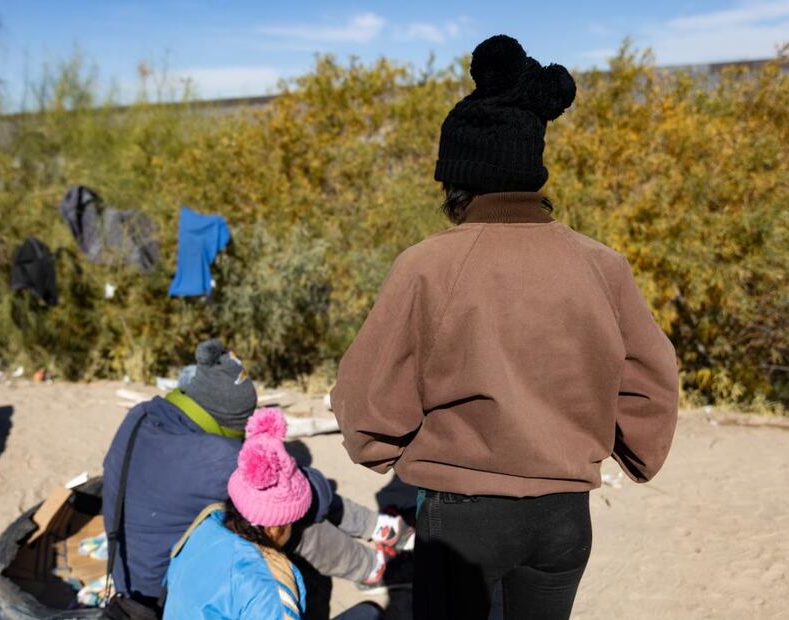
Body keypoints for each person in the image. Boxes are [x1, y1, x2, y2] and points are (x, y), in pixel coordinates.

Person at [332, 34, 680, 619]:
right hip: (565, 519)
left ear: (456, 179)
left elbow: (368, 401)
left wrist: (381, 449)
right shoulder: (600, 264)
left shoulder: (428, 264)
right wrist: (632, 451)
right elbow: (652, 380)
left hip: (464, 519)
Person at [102, 340, 412, 617]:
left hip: (137, 578)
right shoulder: (216, 457)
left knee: (277, 510)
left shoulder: (141, 416)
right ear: (229, 423)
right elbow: (305, 492)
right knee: (291, 518)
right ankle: (374, 565)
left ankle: (379, 539)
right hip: (162, 592)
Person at [164, 407, 385, 620]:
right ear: (274, 527)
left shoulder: (207, 525)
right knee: (370, 612)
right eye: (293, 522)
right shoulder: (269, 586)